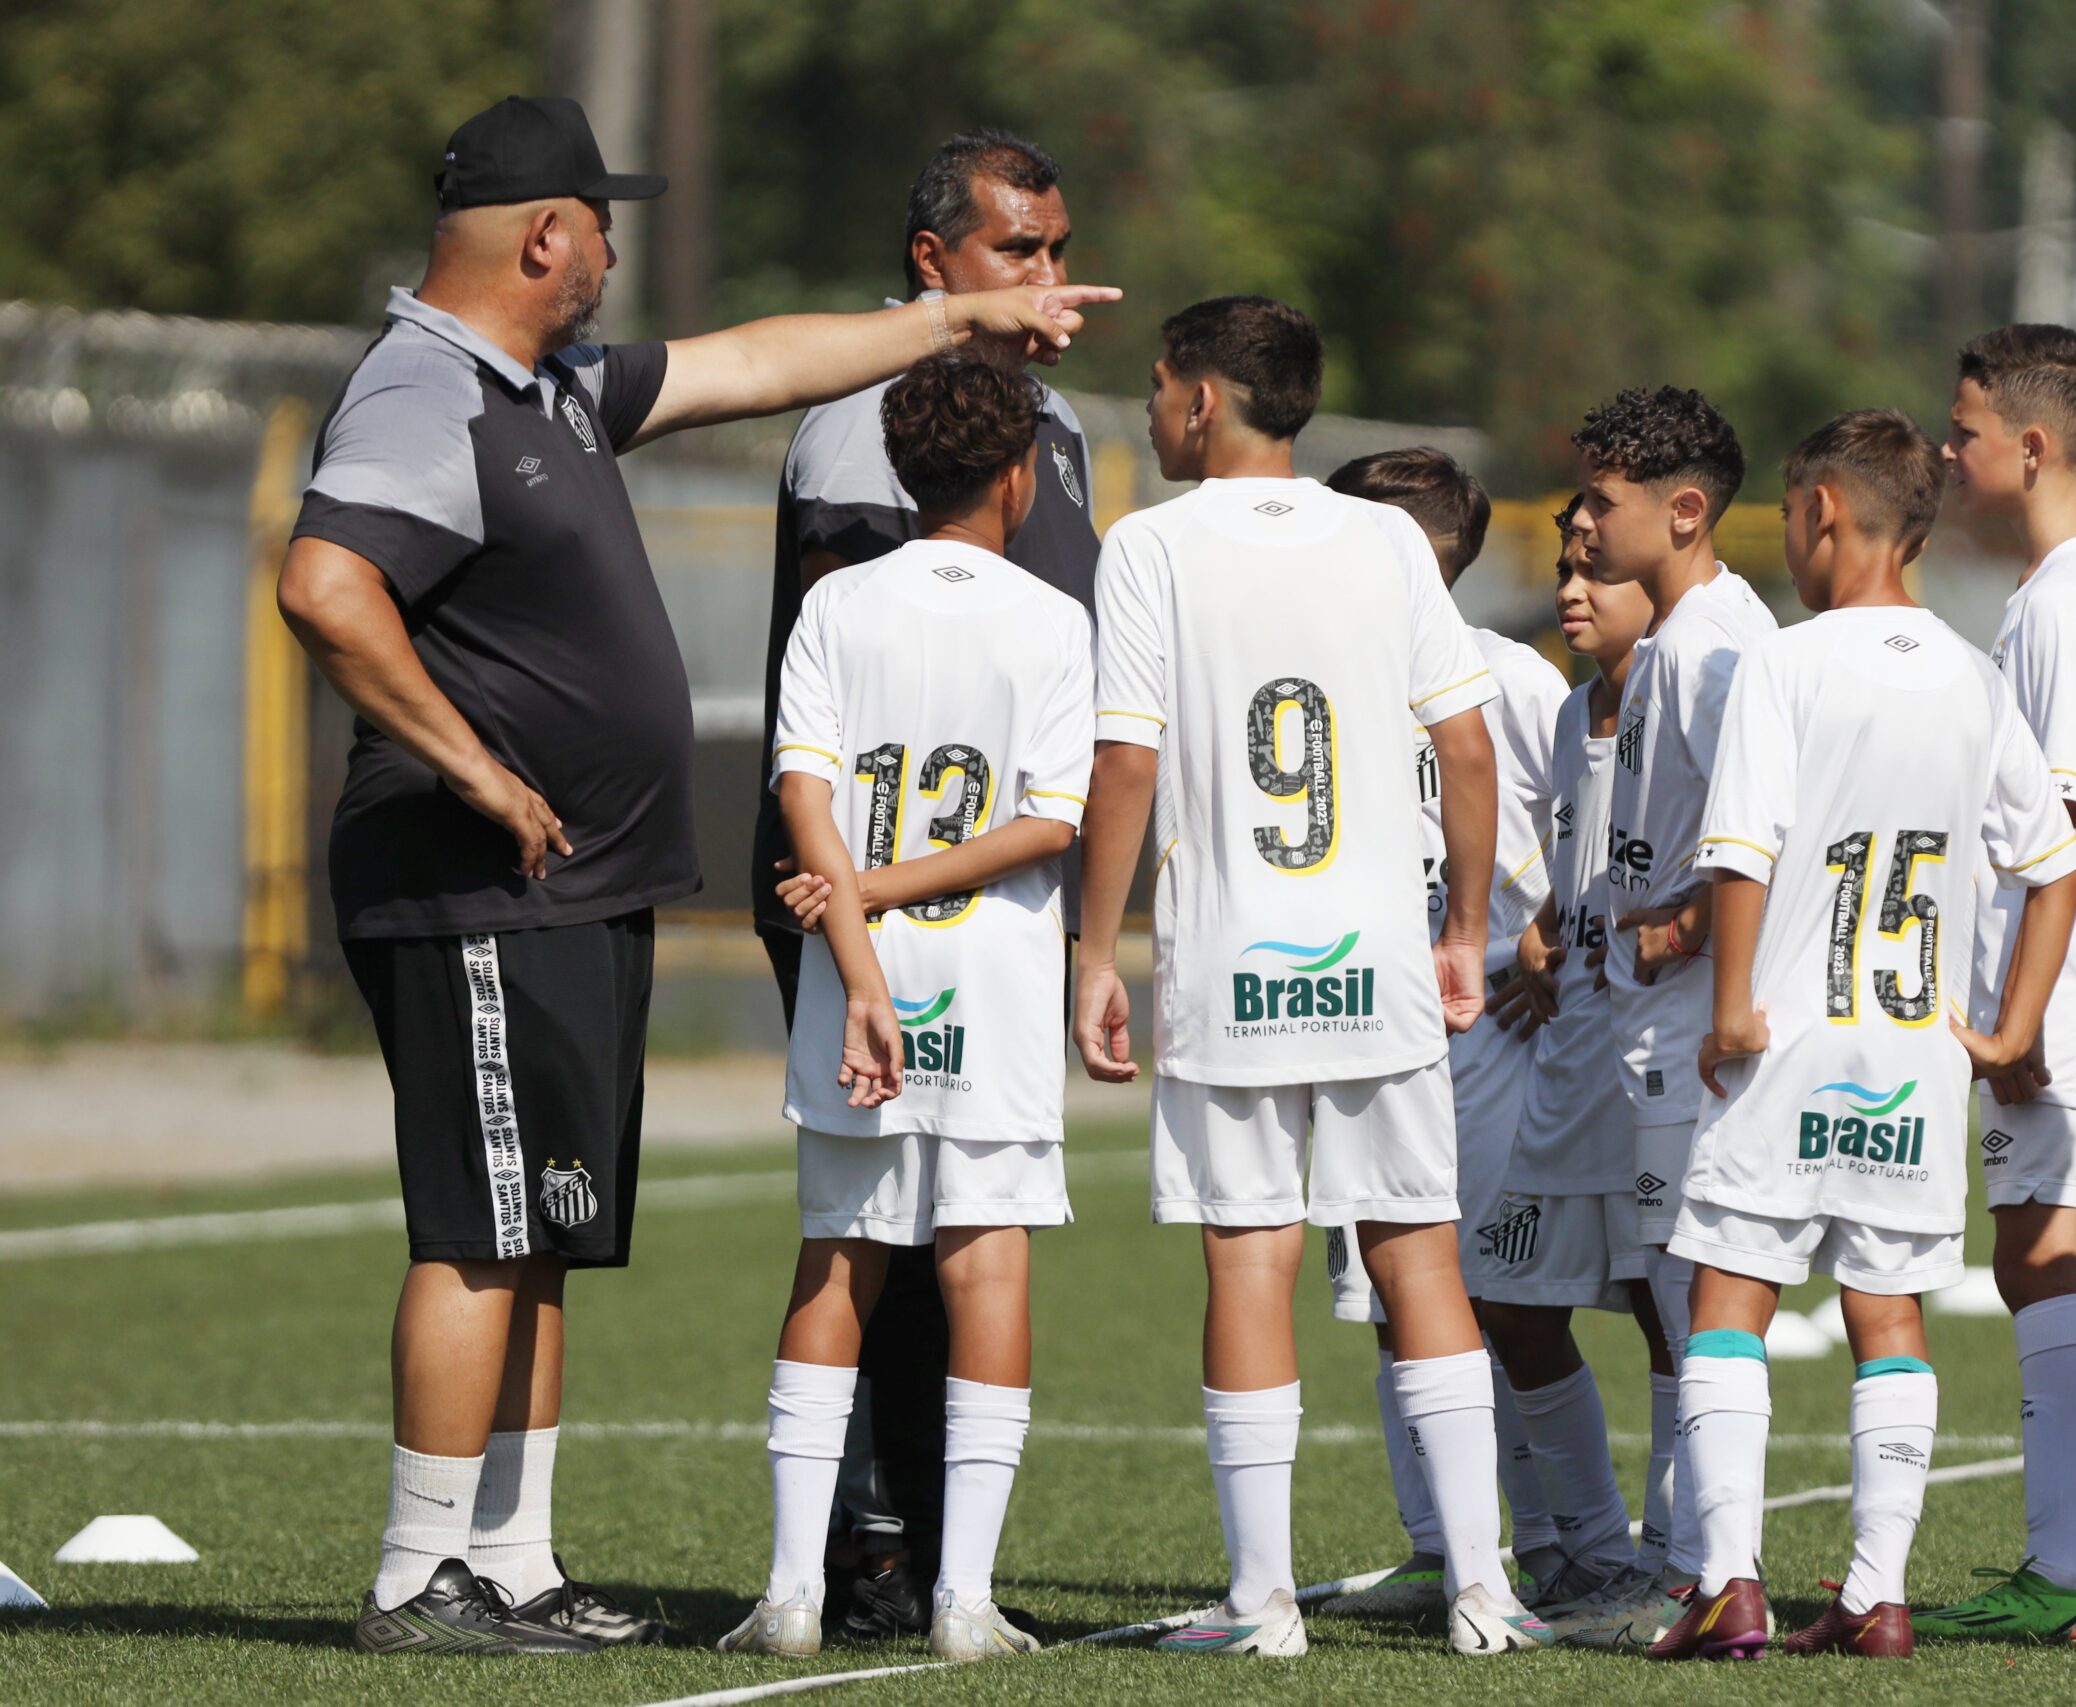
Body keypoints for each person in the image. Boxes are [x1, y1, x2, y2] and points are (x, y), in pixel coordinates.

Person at [277, 93, 1113, 1655]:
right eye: (602, 223)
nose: (610, 250)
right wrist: (475, 769)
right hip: (476, 883)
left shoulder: (552, 386)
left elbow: (758, 361)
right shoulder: (423, 386)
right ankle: (419, 1573)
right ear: (545, 234)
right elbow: (326, 586)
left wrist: (965, 312)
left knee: (542, 1224)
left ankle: (511, 1559)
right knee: (478, 1226)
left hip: (568, 888)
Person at [1073, 296, 1548, 1657]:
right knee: (1418, 1249)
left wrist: (1099, 951)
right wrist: (1462, 926)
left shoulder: (1148, 544)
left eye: (1164, 387)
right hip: (1380, 960)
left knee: (1251, 1253)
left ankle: (1263, 1600)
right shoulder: (1389, 537)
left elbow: (1125, 762)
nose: (1159, 410)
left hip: (1234, 963)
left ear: (1205, 400)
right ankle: (1482, 1587)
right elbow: (1466, 751)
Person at [1646, 409, 2076, 1662]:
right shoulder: (1969, 673)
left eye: (1788, 516)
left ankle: (1728, 1582)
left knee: (1727, 1297)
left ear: (1825, 512)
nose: (1787, 539)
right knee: (1887, 1311)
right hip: (1913, 1050)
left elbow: (1741, 850)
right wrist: (2009, 1031)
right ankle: (1876, 1595)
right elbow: (2053, 866)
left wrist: (1731, 1004)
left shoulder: (1786, 665)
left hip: (1786, 1034)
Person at [752, 128, 1097, 1635]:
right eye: (1018, 248)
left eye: (1057, 245)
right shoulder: (863, 428)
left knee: (890, 1239)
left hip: (938, 904)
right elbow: (849, 708)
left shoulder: (1059, 419)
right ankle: (879, 1550)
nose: (1049, 274)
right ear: (933, 265)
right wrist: (860, 903)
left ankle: (907, 1555)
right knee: (918, 1241)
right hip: (876, 902)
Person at [1916, 325, 2076, 1643]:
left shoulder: (2069, 601)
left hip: (2064, 987)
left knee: (2041, 1255)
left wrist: (2016, 1008)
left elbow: (2062, 824)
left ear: (2030, 444)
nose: (1948, 451)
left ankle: (2062, 1565)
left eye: (1962, 431)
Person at [1314, 449, 1587, 1616]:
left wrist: (1552, 935)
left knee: (1506, 1306)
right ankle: (1442, 1549)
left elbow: (1592, 820)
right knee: (1390, 1294)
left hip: (1489, 1037)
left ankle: (1581, 1546)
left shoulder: (1507, 677)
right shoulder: (1315, 674)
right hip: (1352, 1025)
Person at [1573, 385, 1778, 1626]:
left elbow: (1768, 830)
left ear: (1683, 510)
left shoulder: (1718, 648)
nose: (1583, 526)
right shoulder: (1679, 636)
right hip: (1648, 1025)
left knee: (1691, 1293)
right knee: (1665, 1295)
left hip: (1695, 1034)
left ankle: (1704, 1565)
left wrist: (1688, 928)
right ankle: (1684, 1555)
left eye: (1603, 501)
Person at [1486, 497, 1684, 1649]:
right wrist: (1549, 930)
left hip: (1650, 1063)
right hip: (1570, 1062)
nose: (1571, 589)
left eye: (1593, 571)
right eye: (1564, 569)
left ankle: (1671, 1563)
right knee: (1507, 1296)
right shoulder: (1570, 714)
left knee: (1672, 1317)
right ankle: (1596, 1545)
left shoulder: (1680, 696)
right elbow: (1592, 869)